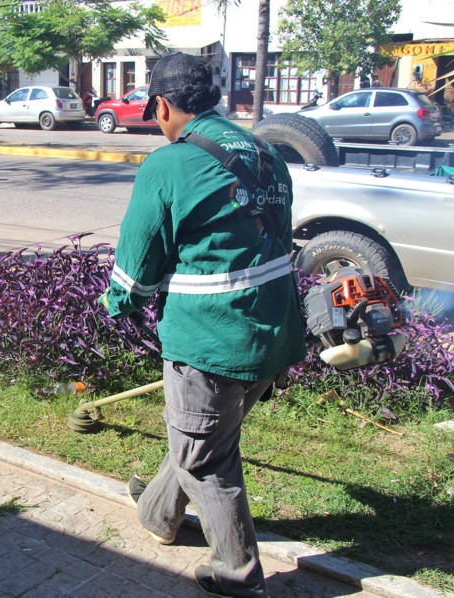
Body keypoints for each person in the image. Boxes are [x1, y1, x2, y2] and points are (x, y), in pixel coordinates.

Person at [100, 53, 306, 598]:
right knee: (205, 436)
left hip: (211, 336)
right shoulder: (267, 151)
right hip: (273, 330)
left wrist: (119, 302)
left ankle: (237, 575)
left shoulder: (168, 164)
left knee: (204, 455)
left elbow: (136, 261)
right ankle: (159, 513)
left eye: (155, 113)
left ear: (162, 105)